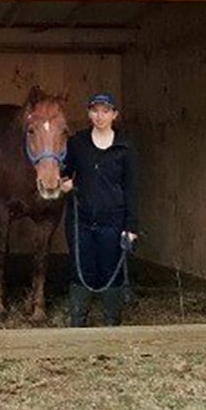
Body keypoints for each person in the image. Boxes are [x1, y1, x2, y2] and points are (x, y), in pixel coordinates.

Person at [61, 92, 139, 327]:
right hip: (81, 218)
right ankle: (78, 322)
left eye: (105, 111)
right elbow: (66, 170)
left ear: (114, 114)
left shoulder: (125, 148)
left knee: (110, 272)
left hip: (113, 220)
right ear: (89, 113)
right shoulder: (77, 143)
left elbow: (132, 188)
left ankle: (111, 324)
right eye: (95, 110)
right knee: (81, 268)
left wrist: (131, 226)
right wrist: (65, 182)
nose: (100, 116)